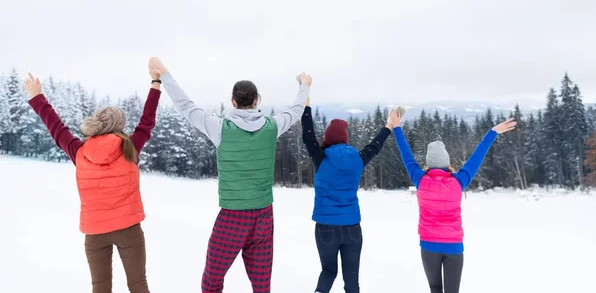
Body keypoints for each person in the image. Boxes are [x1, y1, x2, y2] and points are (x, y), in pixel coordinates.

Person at [147, 57, 310, 293]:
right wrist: (304, 85)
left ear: (233, 101)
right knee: (261, 285)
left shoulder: (219, 128)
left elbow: (186, 106)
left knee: (212, 281)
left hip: (233, 217)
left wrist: (164, 74)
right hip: (264, 215)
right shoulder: (272, 126)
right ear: (256, 101)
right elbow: (296, 109)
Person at [23, 69, 163, 293]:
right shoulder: (130, 147)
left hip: (95, 233)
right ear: (119, 126)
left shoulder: (78, 151)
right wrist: (156, 83)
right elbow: (147, 122)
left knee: (100, 287)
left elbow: (56, 128)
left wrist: (36, 96)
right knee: (138, 284)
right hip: (128, 229)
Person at [392, 111, 517, 293]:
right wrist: (492, 133)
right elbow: (477, 157)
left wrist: (396, 127)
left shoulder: (420, 179)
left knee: (435, 289)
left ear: (428, 163)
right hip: (453, 246)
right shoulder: (459, 181)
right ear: (447, 161)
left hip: (428, 245)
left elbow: (406, 155)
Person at [301, 97, 401, 293]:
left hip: (326, 228)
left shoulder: (320, 159)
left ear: (327, 139)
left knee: (328, 272)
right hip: (352, 229)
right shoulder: (357, 159)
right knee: (352, 282)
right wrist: (389, 125)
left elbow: (308, 134)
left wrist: (306, 101)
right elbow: (375, 146)